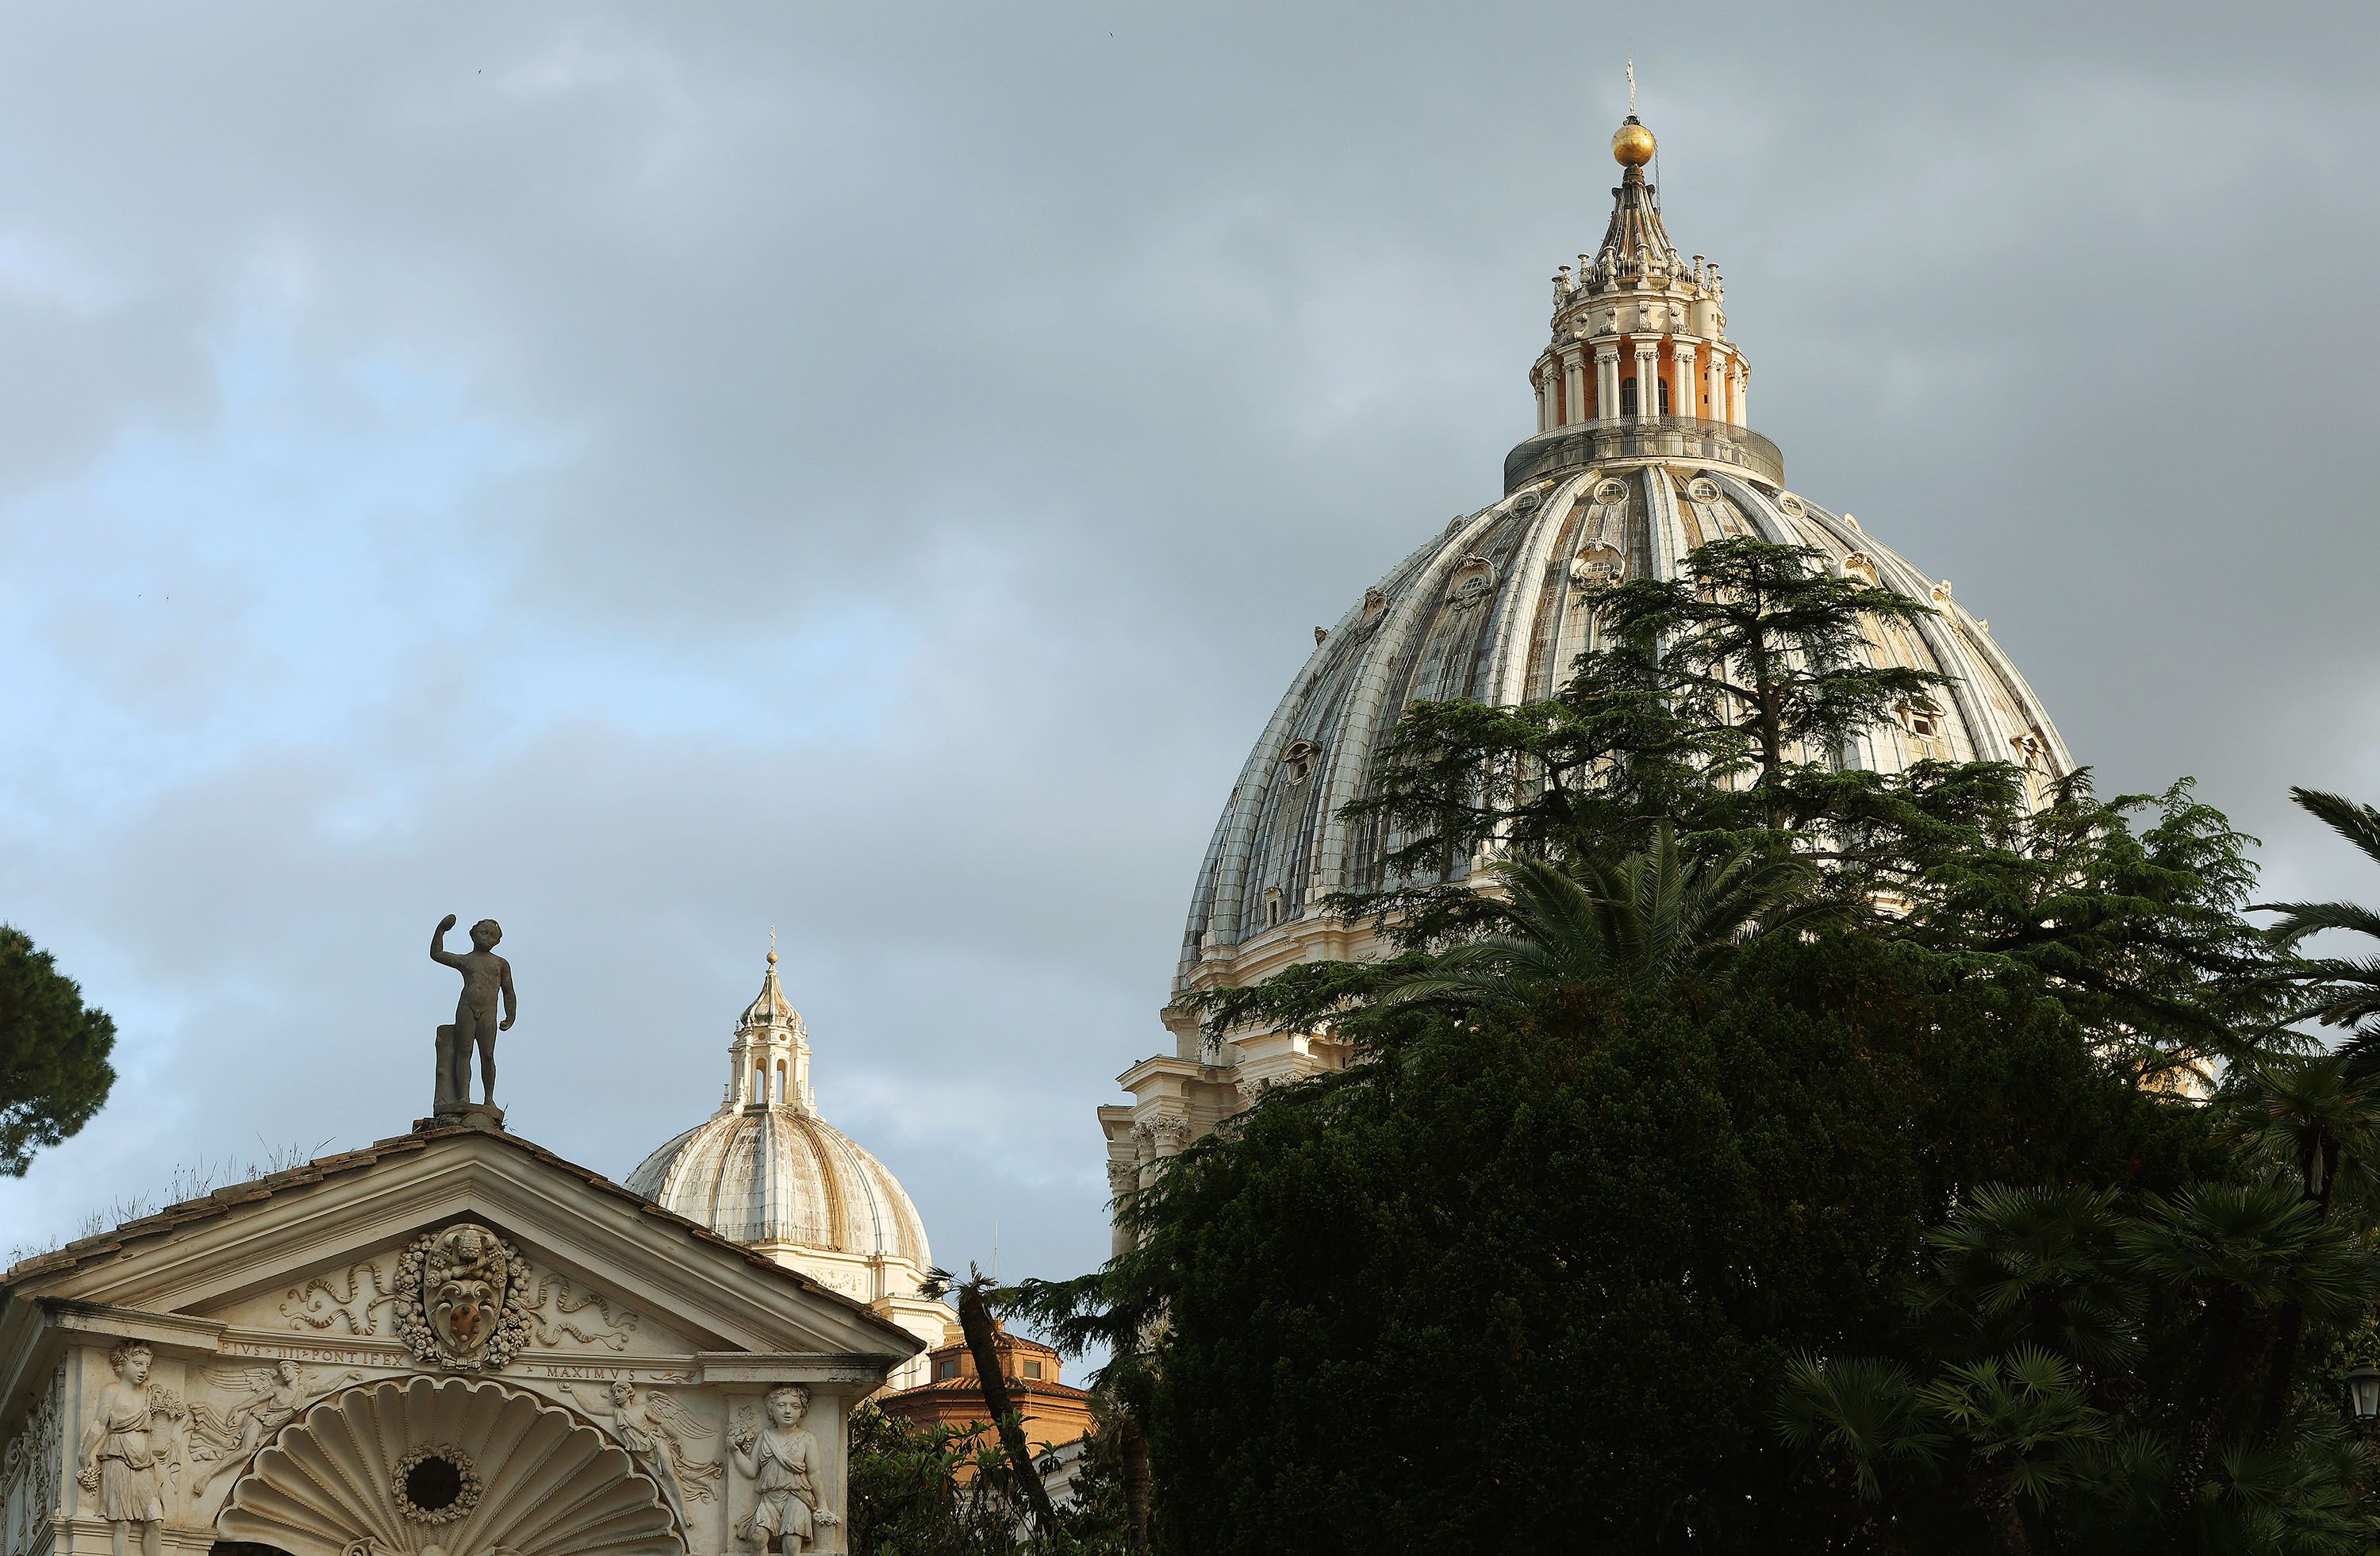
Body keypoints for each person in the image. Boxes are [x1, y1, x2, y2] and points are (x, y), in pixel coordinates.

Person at [77, 1343, 179, 1556]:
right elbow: (99, 1423)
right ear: (123, 1364)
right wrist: (85, 1451)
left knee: (155, 1520)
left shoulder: (148, 1394)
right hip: (118, 1456)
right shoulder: (112, 1391)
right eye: (138, 1363)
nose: (144, 1369)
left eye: (147, 1365)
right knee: (123, 1523)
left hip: (144, 1461)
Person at [729, 1385, 837, 1553]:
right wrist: (735, 1451)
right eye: (781, 1405)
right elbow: (751, 1470)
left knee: (792, 1544)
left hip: (797, 1497)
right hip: (770, 1498)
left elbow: (815, 1474)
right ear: (771, 1409)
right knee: (757, 1538)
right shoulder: (765, 1436)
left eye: (795, 1406)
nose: (788, 1411)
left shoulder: (807, 1439)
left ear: (802, 1411)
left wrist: (822, 1504)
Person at [431, 914, 516, 1107]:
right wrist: (441, 930)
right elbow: (436, 954)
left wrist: (510, 1015)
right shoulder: (465, 960)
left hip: (488, 1011)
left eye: (491, 935)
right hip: (467, 1008)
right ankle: (464, 1097)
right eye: (482, 933)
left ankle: (488, 1098)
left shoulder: (501, 964)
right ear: (473, 935)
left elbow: (508, 991)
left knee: (487, 1055)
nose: (486, 937)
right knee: (464, 1052)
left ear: (497, 940)